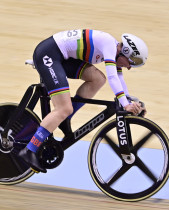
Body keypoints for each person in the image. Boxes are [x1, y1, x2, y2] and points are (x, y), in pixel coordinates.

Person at [18, 29, 148, 173]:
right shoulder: (109, 46)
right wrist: (126, 104)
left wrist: (129, 101)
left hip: (62, 57)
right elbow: (113, 78)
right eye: (131, 63)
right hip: (49, 55)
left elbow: (119, 79)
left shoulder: (115, 51)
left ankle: (64, 119)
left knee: (98, 79)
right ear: (125, 51)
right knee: (64, 108)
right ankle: (29, 150)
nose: (129, 67)